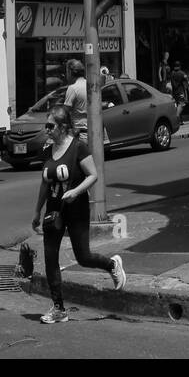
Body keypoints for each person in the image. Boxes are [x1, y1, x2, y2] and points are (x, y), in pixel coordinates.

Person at [31, 103, 125, 324]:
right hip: (54, 211)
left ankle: (112, 265)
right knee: (50, 258)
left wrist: (75, 191)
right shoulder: (48, 150)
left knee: (83, 257)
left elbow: (93, 175)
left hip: (77, 209)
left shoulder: (78, 148)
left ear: (63, 127)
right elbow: (45, 183)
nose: (47, 129)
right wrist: (37, 211)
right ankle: (58, 308)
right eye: (46, 125)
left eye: (50, 125)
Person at [63, 58, 88, 137]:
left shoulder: (73, 88)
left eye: (66, 71)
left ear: (70, 72)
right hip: (93, 131)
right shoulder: (90, 85)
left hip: (80, 133)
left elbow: (64, 113)